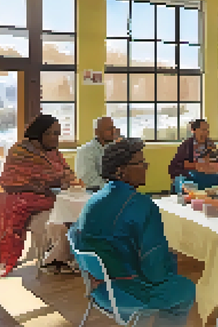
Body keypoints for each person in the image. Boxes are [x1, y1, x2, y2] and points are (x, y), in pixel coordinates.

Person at [70, 138, 199, 326]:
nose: (146, 167)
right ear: (120, 170)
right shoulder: (141, 205)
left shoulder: (94, 199)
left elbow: (77, 235)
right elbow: (155, 272)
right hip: (127, 292)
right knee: (185, 289)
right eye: (140, 163)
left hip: (100, 287)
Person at [0, 114, 78, 277]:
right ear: (39, 134)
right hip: (21, 197)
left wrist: (65, 178)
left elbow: (66, 172)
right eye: (51, 133)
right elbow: (8, 181)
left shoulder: (54, 152)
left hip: (50, 197)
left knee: (74, 213)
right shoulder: (19, 151)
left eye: (58, 134)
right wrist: (42, 185)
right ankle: (7, 260)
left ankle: (63, 260)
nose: (56, 138)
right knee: (16, 210)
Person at [168, 119, 218, 191]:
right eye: (203, 130)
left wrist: (215, 167)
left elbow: (217, 161)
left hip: (210, 173)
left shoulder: (210, 144)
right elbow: (179, 164)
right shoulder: (187, 145)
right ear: (194, 130)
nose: (206, 133)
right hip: (193, 174)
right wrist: (197, 166)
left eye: (207, 130)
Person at [75, 117, 118, 192]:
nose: (113, 131)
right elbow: (90, 181)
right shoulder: (85, 151)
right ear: (97, 132)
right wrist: (115, 188)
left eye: (113, 128)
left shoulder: (116, 148)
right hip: (96, 195)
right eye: (108, 129)